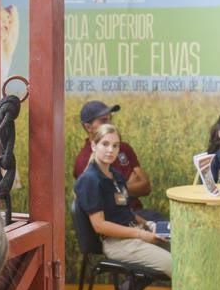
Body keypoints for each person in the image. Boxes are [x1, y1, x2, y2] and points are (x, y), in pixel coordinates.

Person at [73, 123, 171, 277]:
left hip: (136, 232)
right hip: (118, 243)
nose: (110, 150)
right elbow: (99, 225)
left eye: (115, 146)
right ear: (93, 145)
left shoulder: (116, 175)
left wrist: (149, 225)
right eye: (105, 144)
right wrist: (140, 234)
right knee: (175, 264)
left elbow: (126, 211)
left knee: (183, 252)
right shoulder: (90, 180)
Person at [72, 100, 159, 219]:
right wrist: (129, 184)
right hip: (116, 221)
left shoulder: (123, 148)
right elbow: (107, 202)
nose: (110, 124)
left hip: (137, 214)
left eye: (110, 119)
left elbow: (145, 187)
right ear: (88, 127)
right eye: (103, 120)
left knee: (168, 228)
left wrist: (115, 189)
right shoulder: (83, 161)